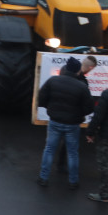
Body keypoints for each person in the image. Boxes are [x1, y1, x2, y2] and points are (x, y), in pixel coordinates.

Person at [37, 57, 94, 189]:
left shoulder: (53, 80)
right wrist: (79, 114)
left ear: (66, 68)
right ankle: (73, 181)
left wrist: (50, 109)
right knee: (73, 152)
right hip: (73, 124)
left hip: (55, 121)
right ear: (77, 71)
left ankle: (43, 178)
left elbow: (41, 98)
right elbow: (89, 108)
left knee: (49, 150)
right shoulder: (82, 86)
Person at [86, 83, 108, 202]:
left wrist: (90, 132)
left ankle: (105, 195)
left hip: (106, 136)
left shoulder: (107, 95)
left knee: (105, 165)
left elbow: (98, 116)